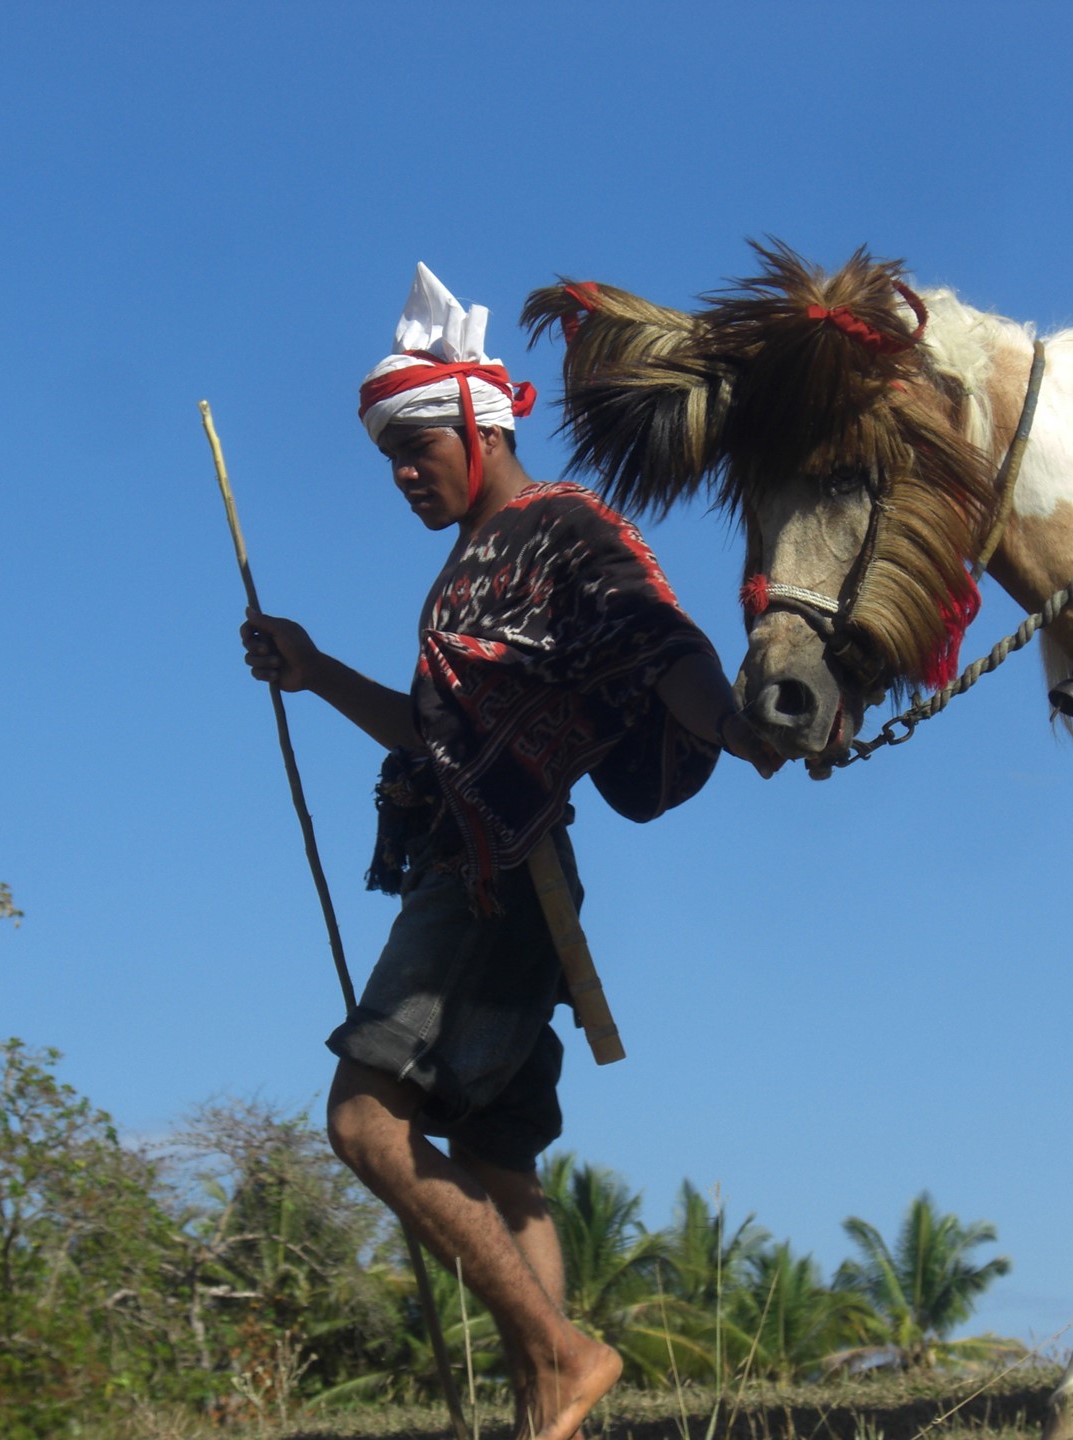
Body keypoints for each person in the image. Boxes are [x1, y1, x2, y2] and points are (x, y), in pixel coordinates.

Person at [241, 264, 776, 1440]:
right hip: (479, 874)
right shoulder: (468, 569)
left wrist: (732, 722)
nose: (401, 477)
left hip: (500, 883)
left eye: (416, 448)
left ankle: (563, 1356)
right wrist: (315, 667)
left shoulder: (563, 530)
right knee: (498, 1155)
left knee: (365, 1123)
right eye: (388, 458)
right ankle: (552, 1411)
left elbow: (658, 641)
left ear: (479, 426)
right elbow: (439, 735)